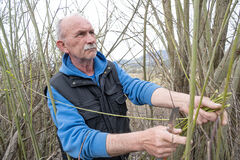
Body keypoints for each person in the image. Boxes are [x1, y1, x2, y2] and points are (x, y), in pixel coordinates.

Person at [46, 14, 227, 160]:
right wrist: (142, 140)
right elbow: (77, 141)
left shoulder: (110, 69)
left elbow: (138, 88)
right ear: (63, 46)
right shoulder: (57, 87)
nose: (91, 39)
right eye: (81, 34)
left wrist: (186, 100)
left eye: (92, 32)